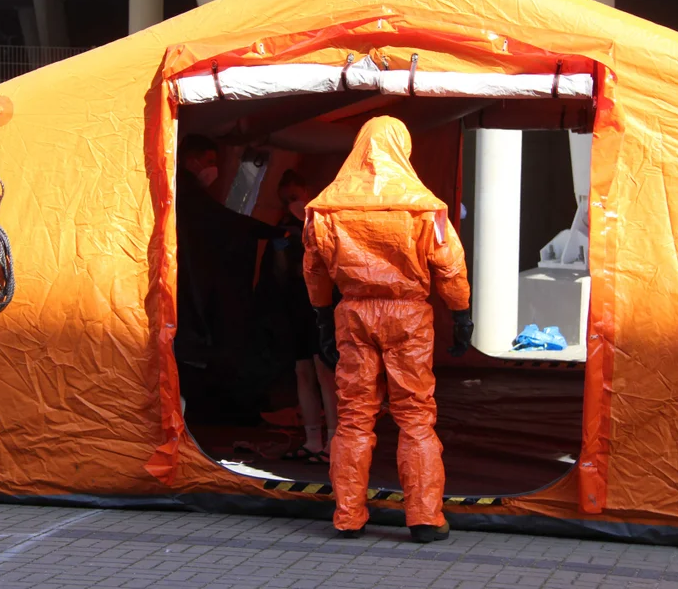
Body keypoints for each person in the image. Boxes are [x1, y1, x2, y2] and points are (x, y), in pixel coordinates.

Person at [302, 116, 474, 543]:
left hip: (354, 314)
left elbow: (315, 269)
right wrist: (461, 313)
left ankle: (348, 517)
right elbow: (449, 263)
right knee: (415, 416)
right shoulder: (425, 207)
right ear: (404, 147)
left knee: (354, 418)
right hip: (409, 317)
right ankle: (424, 518)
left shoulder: (325, 209)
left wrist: (324, 315)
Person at [175, 134, 287, 426]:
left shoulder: (181, 193)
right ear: (191, 161)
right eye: (209, 162)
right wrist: (273, 234)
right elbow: (225, 223)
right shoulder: (189, 197)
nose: (213, 170)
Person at [256, 170, 339, 463]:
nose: (289, 204)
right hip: (295, 306)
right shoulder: (284, 226)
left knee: (325, 372)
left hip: (320, 308)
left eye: (294, 197)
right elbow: (276, 273)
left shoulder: (324, 219)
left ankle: (334, 441)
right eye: (285, 199)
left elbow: (333, 261)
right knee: (302, 372)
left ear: (306, 191)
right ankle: (313, 439)